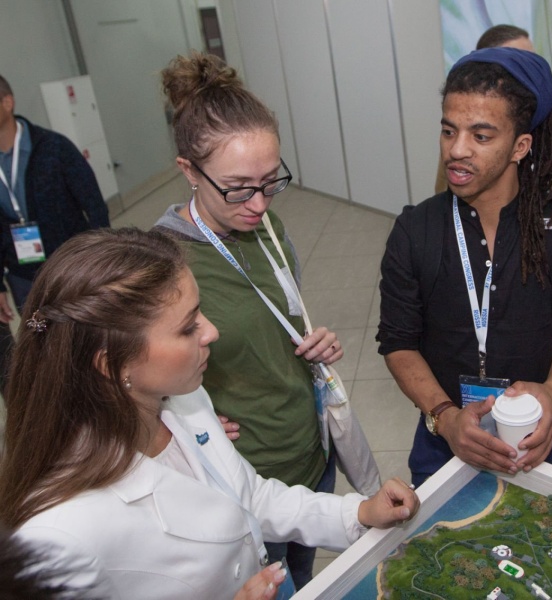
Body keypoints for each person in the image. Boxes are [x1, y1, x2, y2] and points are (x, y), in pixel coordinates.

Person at [0, 228, 418, 600]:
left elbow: (248, 496)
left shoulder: (186, 398)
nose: (212, 331)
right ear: (112, 365)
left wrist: (356, 513)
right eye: (188, 327)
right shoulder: (58, 533)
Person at [152, 53, 369, 589]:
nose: (258, 202)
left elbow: (276, 317)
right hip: (246, 476)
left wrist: (313, 341)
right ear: (189, 171)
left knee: (304, 570)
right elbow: (131, 376)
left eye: (271, 181)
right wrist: (176, 418)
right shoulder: (161, 264)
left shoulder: (267, 226)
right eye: (238, 187)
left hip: (308, 450)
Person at [379, 47, 552, 487]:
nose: (456, 150)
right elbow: (398, 343)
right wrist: (446, 417)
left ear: (521, 146)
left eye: (481, 136)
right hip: (443, 446)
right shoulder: (415, 230)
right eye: (449, 131)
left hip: (531, 442)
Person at [433, 24, 552, 443]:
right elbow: (448, 207)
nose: (459, 146)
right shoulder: (465, 150)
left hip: (544, 260)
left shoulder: (551, 140)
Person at [0, 74, 109, 391]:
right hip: (23, 277)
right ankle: (66, 397)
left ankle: (101, 391)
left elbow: (93, 204)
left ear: (7, 103)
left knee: (86, 335)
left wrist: (100, 259)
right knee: (42, 337)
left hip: (70, 265)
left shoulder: (54, 148)